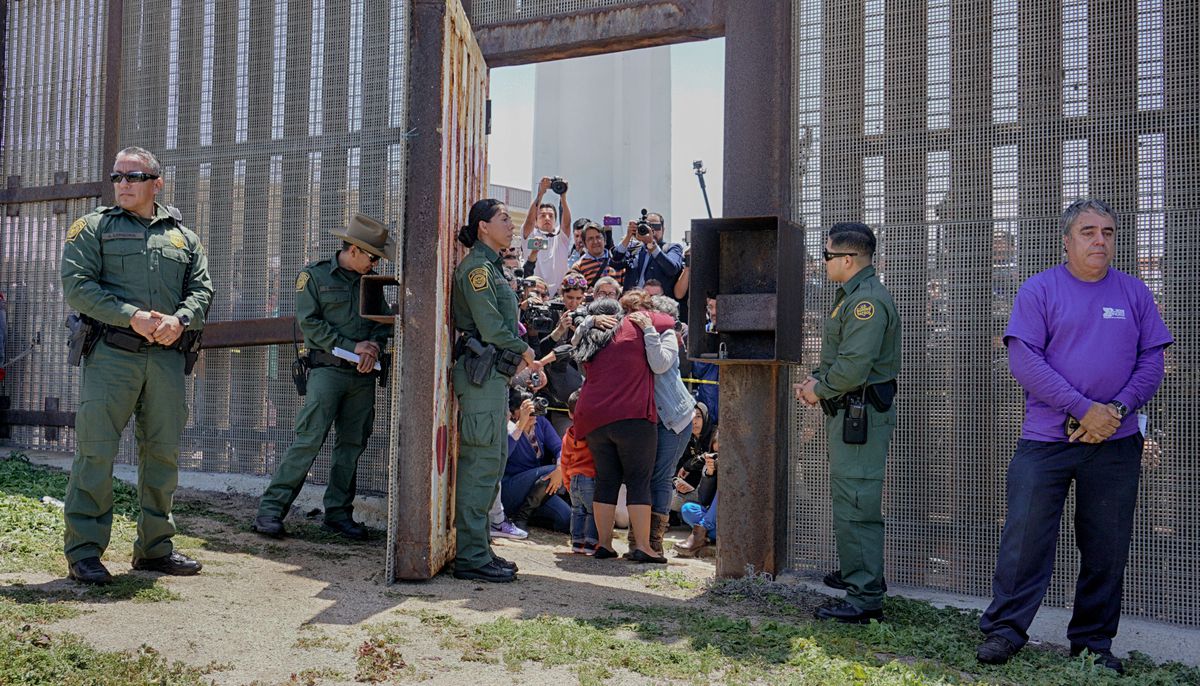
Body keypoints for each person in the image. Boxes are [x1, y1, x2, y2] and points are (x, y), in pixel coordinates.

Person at [974, 199, 1172, 674]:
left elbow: (1153, 362)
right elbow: (1024, 360)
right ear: (1067, 241)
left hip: (1116, 442)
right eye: (1088, 232)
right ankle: (1005, 631)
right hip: (1046, 441)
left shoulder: (1134, 293)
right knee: (1024, 539)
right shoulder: (1039, 290)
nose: (1099, 240)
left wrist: (1117, 410)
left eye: (1107, 231)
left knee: (1106, 545)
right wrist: (1084, 408)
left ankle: (1092, 643)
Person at [59, 146, 213, 584]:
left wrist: (180, 320)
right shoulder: (93, 229)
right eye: (117, 176)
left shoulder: (183, 237)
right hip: (112, 357)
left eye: (134, 176)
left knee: (162, 455)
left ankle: (154, 549)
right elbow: (77, 287)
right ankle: (85, 551)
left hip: (165, 360)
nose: (123, 184)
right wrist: (133, 315)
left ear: (156, 183)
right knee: (96, 452)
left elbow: (202, 289)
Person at [253, 214, 393, 540]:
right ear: (355, 249)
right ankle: (270, 511)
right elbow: (310, 324)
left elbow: (381, 321)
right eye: (372, 256)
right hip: (327, 371)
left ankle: (339, 514)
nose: (375, 263)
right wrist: (351, 345)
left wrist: (373, 347)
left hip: (362, 376)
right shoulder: (313, 276)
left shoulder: (370, 282)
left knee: (351, 445)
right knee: (308, 440)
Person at [795, 221, 901, 624]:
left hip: (860, 414)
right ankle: (859, 574)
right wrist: (819, 383)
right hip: (851, 413)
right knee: (850, 498)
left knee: (857, 502)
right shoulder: (854, 296)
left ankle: (865, 597)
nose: (823, 264)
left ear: (848, 259)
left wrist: (817, 389)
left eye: (827, 257)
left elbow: (854, 367)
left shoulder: (866, 302)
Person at [449, 199, 544, 583]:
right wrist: (524, 350)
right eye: (504, 219)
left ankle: (480, 549)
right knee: (480, 467)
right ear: (484, 226)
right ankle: (471, 556)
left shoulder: (490, 268)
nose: (510, 225)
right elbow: (490, 328)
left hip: (492, 378)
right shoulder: (476, 269)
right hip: (480, 376)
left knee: (491, 467)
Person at [571, 297, 674, 563]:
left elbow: (575, 329)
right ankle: (643, 546)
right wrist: (639, 316)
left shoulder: (587, 337)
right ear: (618, 314)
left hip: (593, 418)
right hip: (632, 416)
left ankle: (603, 544)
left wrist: (587, 320)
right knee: (639, 481)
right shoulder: (631, 326)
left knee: (606, 480)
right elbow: (668, 320)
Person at [634, 293, 696, 554]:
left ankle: (654, 543)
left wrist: (649, 330)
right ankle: (639, 541)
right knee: (646, 477)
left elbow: (659, 365)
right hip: (652, 419)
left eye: (648, 313)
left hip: (675, 419)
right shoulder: (644, 334)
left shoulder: (667, 334)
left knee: (660, 478)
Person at [502, 388, 570, 533]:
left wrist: (559, 468)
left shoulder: (541, 423)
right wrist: (521, 425)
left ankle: (525, 514)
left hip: (537, 489)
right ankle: (521, 517)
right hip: (510, 488)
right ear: (513, 413)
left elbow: (560, 448)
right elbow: (503, 455)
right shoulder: (508, 426)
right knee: (555, 468)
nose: (531, 413)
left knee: (566, 519)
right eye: (524, 409)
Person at [560, 390, 598, 554]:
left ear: (569, 413)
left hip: (573, 478)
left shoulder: (568, 436)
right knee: (593, 512)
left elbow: (564, 461)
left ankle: (576, 542)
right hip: (589, 478)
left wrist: (567, 482)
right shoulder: (594, 434)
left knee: (577, 511)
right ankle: (591, 543)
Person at [521, 176, 573, 295]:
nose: (547, 218)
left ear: (555, 220)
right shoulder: (531, 234)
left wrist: (563, 196)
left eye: (551, 215)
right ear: (536, 219)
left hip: (559, 295)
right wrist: (540, 193)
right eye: (542, 215)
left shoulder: (560, 238)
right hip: (534, 292)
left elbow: (567, 223)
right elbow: (529, 222)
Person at [612, 212, 684, 294]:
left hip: (657, 303)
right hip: (632, 302)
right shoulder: (634, 249)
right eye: (649, 226)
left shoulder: (671, 248)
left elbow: (672, 269)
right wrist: (628, 236)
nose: (652, 231)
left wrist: (652, 245)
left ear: (663, 230)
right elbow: (615, 262)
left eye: (656, 227)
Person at [675, 428, 719, 557]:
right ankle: (710, 535)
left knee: (723, 490)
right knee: (688, 509)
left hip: (732, 518)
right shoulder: (710, 465)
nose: (718, 458)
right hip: (715, 518)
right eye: (716, 453)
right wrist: (709, 475)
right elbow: (704, 500)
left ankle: (701, 533)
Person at [569, 221, 622, 286]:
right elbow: (575, 291)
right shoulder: (578, 267)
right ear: (585, 243)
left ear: (605, 240)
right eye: (590, 239)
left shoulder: (618, 260)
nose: (595, 242)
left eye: (598, 237)